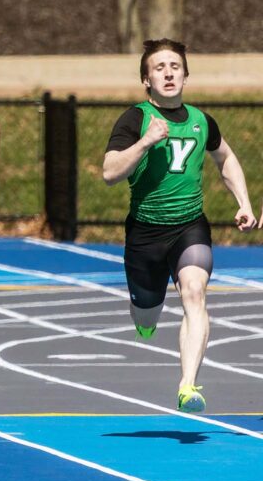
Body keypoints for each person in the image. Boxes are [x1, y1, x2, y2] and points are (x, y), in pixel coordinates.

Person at [103, 38, 255, 413]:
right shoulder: (135, 119)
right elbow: (109, 173)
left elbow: (227, 158)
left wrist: (245, 203)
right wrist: (145, 142)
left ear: (186, 76)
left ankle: (188, 385)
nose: (168, 72)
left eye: (175, 66)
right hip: (145, 232)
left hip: (190, 226)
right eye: (159, 67)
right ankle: (145, 316)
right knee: (146, 313)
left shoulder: (202, 121)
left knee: (195, 293)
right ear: (146, 80)